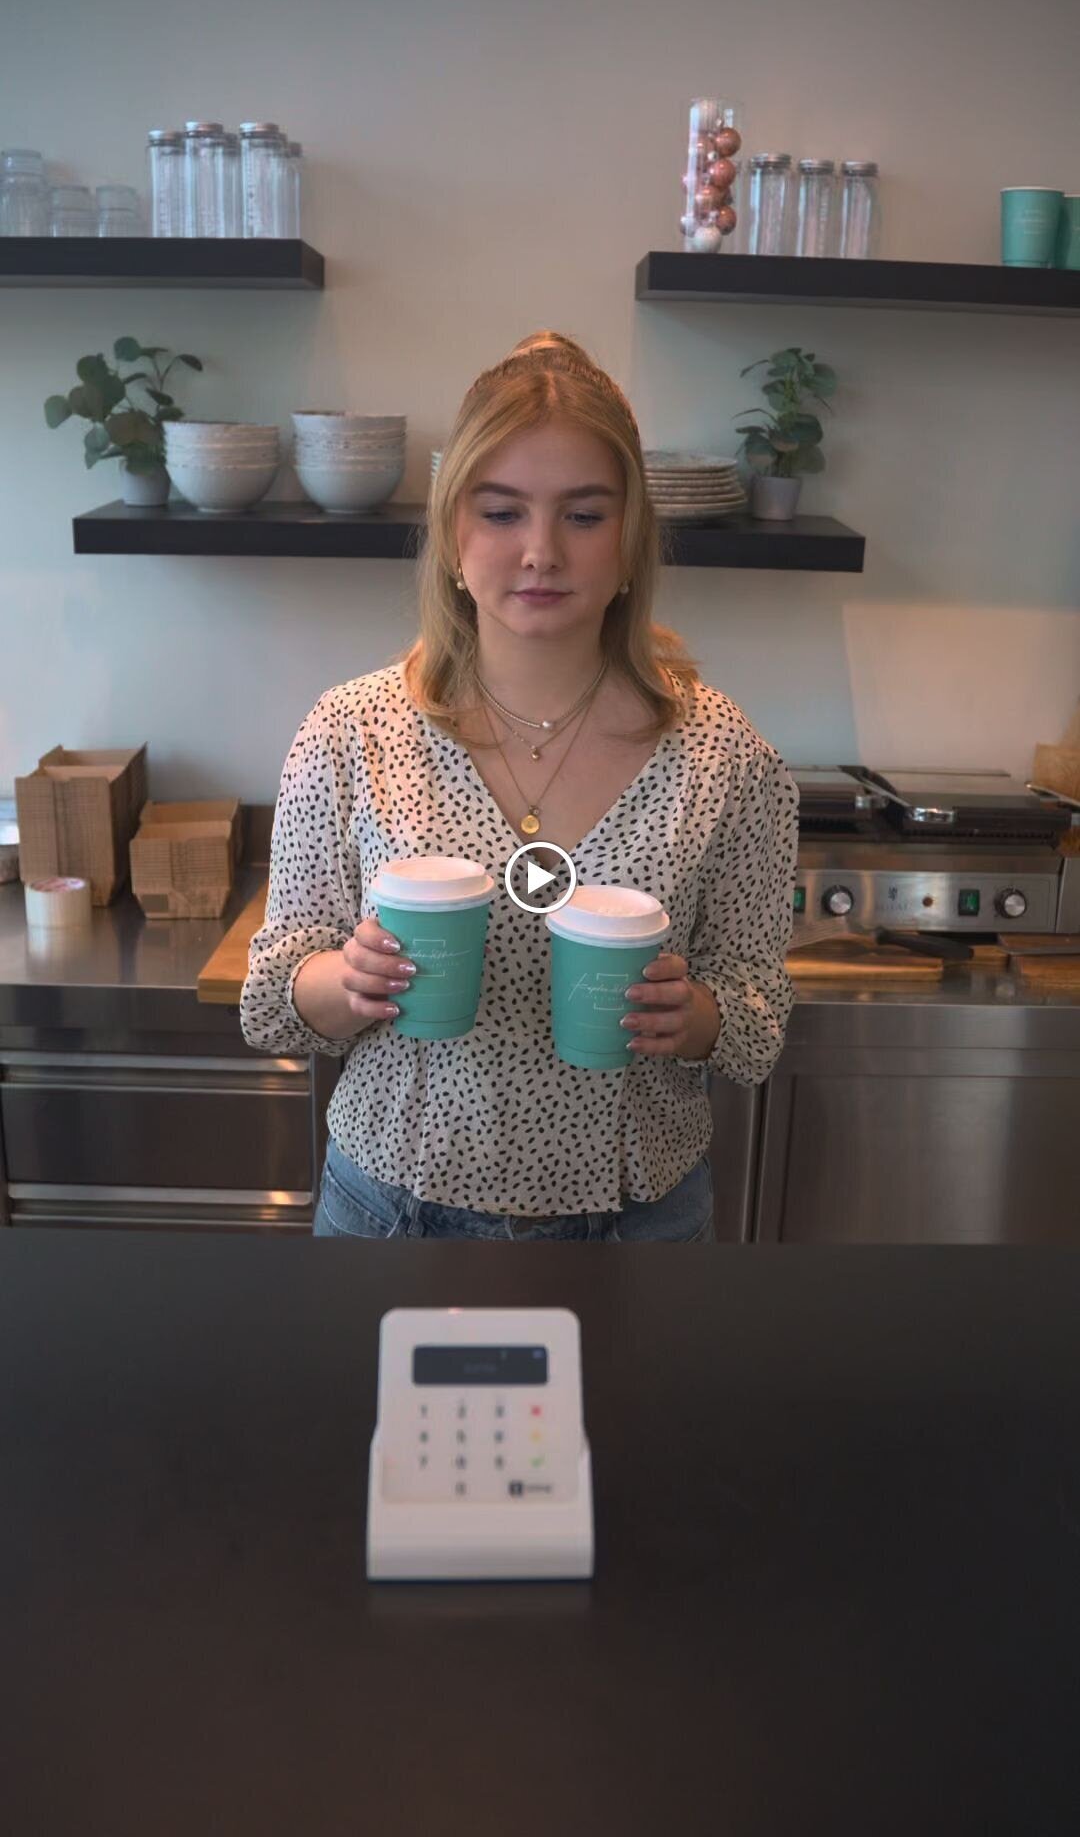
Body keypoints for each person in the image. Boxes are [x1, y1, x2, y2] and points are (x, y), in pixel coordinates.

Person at [240, 330, 799, 1242]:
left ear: (631, 541)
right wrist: (347, 981)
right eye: (501, 513)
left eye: (583, 516)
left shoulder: (725, 755)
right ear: (452, 536)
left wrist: (693, 1017)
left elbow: (758, 1016)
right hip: (391, 1213)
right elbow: (272, 996)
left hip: (639, 1224)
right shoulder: (351, 731)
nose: (541, 551)